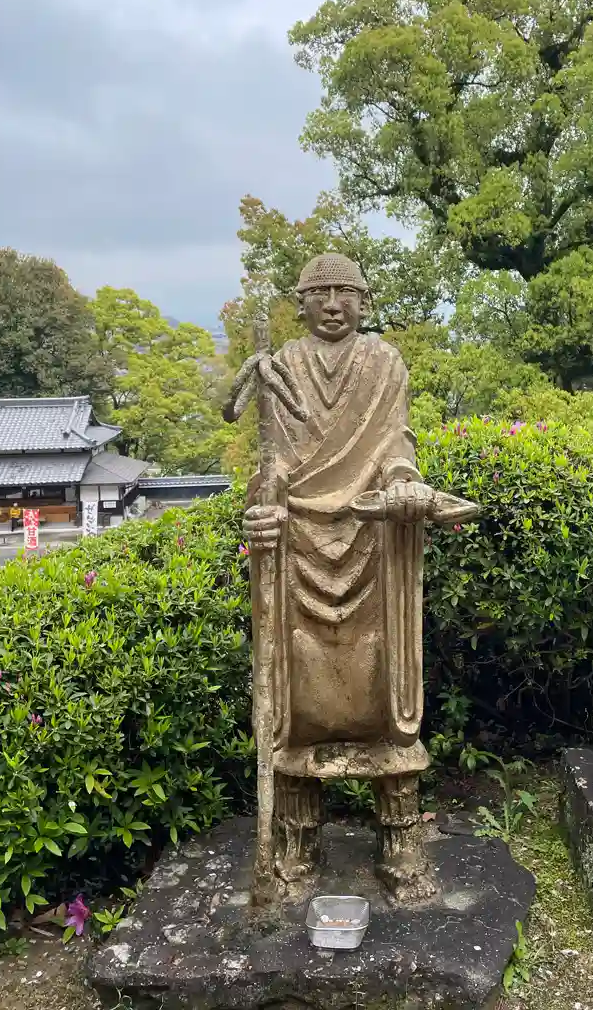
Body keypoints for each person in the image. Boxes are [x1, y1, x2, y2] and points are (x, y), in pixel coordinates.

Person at [238, 253, 440, 902]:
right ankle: (296, 842)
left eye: (344, 292)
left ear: (365, 301)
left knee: (385, 682)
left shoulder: (384, 362)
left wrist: (404, 483)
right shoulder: (282, 366)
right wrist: (261, 507)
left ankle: (400, 839)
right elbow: (272, 462)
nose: (332, 304)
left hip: (372, 536)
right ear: (300, 302)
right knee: (297, 691)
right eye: (319, 292)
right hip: (298, 541)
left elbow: (396, 445)